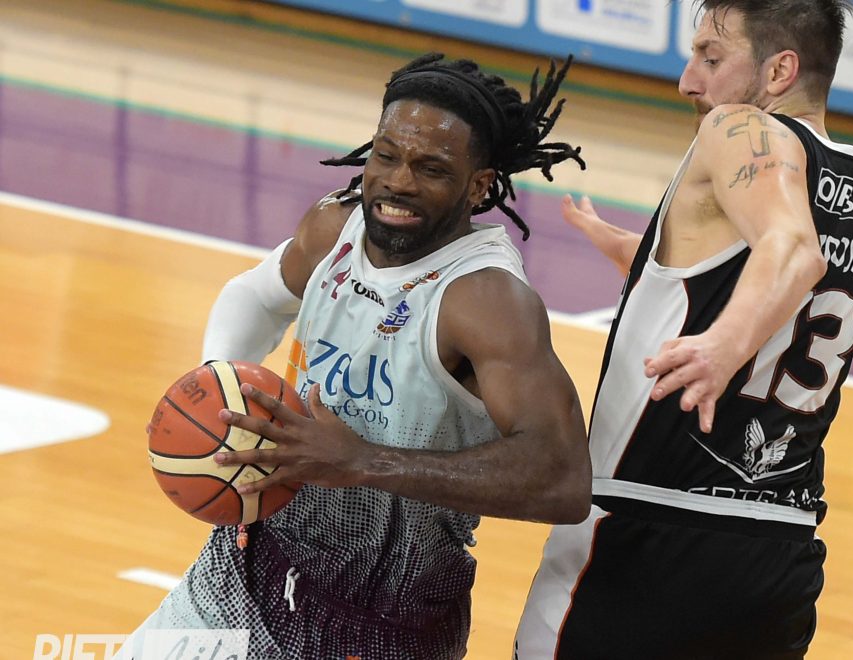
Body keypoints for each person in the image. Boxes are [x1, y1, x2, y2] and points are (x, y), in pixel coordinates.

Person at [120, 53, 591, 660]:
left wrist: (363, 461)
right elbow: (254, 296)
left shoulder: (486, 301)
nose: (398, 182)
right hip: (243, 575)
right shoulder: (333, 230)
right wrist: (218, 385)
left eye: (431, 168)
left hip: (382, 626)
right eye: (386, 155)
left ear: (478, 186)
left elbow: (561, 477)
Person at [515, 1, 853, 658]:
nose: (688, 80)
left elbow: (792, 251)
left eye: (711, 58)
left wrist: (722, 348)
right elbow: (794, 300)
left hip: (648, 531)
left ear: (778, 72)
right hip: (779, 556)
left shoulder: (738, 127)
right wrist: (645, 258)